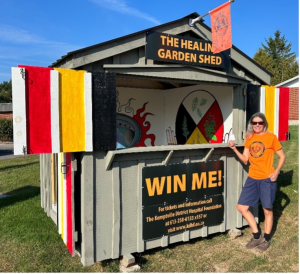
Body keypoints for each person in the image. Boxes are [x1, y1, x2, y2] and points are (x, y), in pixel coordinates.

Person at [229, 112, 285, 251]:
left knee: (267, 210)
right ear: (251, 124)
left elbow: (282, 156)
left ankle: (266, 239)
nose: (258, 125)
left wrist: (276, 171)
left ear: (264, 124)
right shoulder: (250, 137)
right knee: (241, 207)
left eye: (260, 123)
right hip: (252, 178)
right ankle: (256, 235)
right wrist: (235, 149)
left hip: (267, 179)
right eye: (255, 123)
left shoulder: (271, 137)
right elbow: (245, 159)